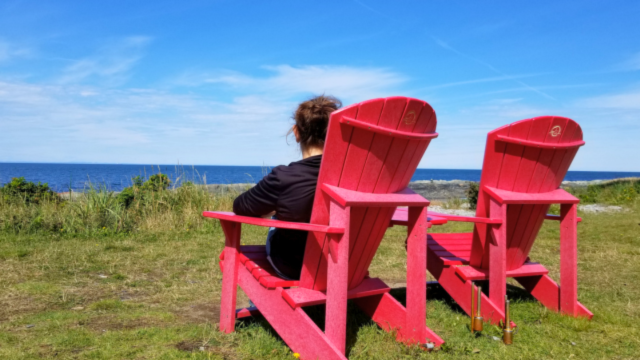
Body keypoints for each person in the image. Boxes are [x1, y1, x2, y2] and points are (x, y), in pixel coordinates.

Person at [232, 95, 342, 280]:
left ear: (296, 132)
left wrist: (276, 208)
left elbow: (240, 206)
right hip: (342, 266)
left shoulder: (284, 177)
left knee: (278, 215)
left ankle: (258, 303)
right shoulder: (350, 177)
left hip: (294, 268)